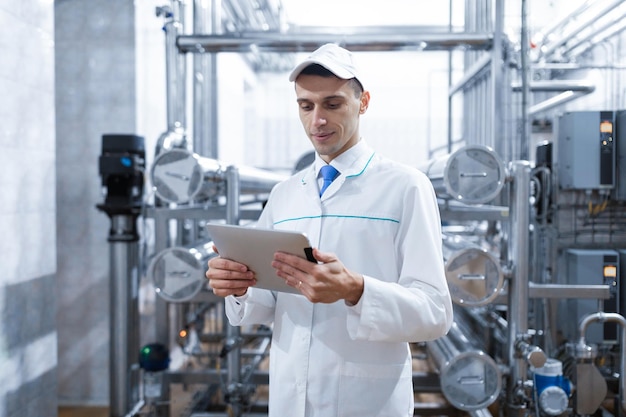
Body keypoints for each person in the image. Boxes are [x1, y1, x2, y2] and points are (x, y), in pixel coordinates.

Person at [206, 43, 453, 417]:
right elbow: (264, 304)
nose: (316, 120)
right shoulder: (285, 195)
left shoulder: (405, 187)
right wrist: (238, 286)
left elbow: (435, 313)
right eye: (306, 106)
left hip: (367, 401)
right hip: (290, 397)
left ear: (363, 102)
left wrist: (356, 290)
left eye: (332, 104)